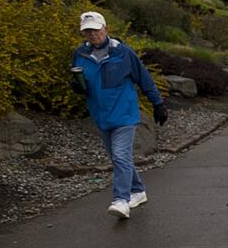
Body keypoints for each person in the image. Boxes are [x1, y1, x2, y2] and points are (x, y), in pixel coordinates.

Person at [70, 11, 168, 219]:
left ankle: (121, 200)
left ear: (105, 29)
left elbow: (144, 79)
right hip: (101, 115)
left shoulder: (123, 53)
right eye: (88, 31)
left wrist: (158, 104)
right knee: (117, 158)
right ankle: (138, 191)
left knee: (121, 155)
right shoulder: (80, 54)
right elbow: (79, 81)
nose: (92, 34)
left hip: (124, 113)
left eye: (96, 30)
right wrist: (77, 86)